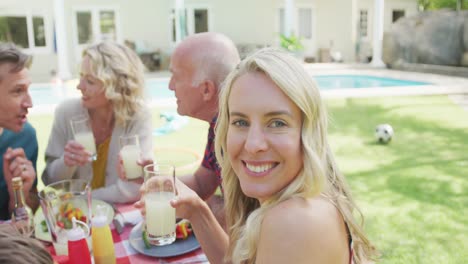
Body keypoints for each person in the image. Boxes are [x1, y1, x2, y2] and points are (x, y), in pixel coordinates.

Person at [145, 48, 377, 264]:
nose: (253, 144)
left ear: (307, 133)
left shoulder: (291, 222)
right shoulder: (273, 199)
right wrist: (197, 211)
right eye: (241, 122)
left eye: (277, 123)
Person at [133, 32, 240, 226]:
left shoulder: (241, 137)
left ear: (206, 89)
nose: (170, 85)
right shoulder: (218, 126)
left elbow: (246, 217)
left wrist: (199, 208)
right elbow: (202, 183)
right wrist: (156, 181)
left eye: (176, 76)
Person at [42, 41, 153, 203]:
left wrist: (81, 199)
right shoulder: (65, 113)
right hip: (75, 220)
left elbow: (134, 188)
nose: (80, 86)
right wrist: (66, 162)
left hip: (119, 217)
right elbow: (50, 180)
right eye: (81, 77)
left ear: (115, 86)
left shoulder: (137, 117)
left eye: (90, 81)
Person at [0, 43, 39, 220]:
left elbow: (32, 211)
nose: (29, 103)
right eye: (18, 91)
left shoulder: (25, 137)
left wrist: (19, 194)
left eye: (27, 89)